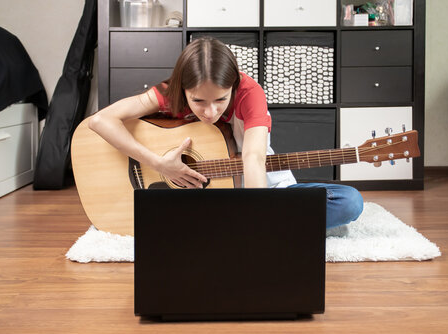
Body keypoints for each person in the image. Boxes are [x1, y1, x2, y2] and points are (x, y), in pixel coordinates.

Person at [87, 37, 363, 229]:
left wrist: (257, 216)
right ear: (182, 89)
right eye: (198, 101)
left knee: (348, 201)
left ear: (233, 85)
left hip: (256, 188)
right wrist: (158, 163)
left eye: (220, 100)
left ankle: (235, 221)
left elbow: (253, 158)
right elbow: (100, 121)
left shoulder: (249, 92)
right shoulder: (168, 93)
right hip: (199, 198)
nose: (210, 112)